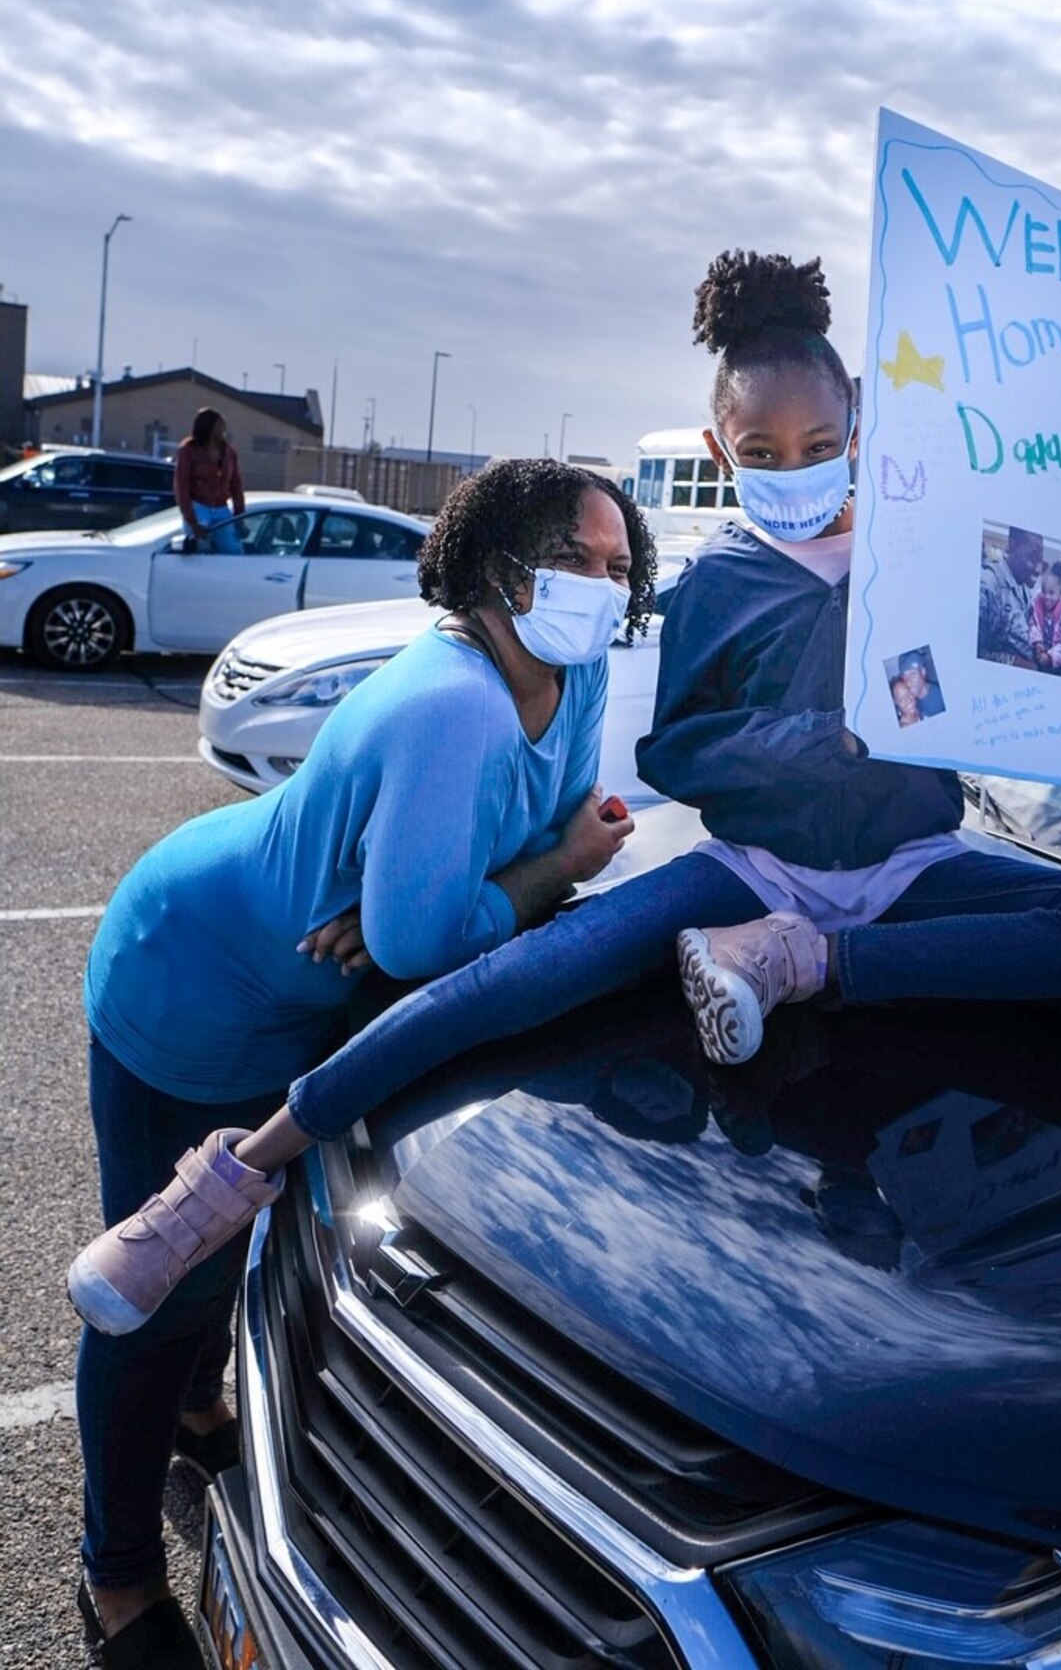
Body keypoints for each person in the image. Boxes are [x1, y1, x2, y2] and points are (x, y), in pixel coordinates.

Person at [71, 251, 1061, 1462]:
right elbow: (681, 748)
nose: (791, 471)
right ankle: (223, 1182)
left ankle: (805, 964)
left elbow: (1037, 691)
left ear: (860, 426)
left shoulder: (936, 553)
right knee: (513, 980)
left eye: (818, 442)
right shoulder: (719, 577)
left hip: (902, 873)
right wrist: (833, 731)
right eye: (759, 454)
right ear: (723, 454)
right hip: (754, 867)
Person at [65, 459, 652, 1670]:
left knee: (255, 1240)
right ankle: (116, 1568)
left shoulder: (574, 673)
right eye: (575, 560)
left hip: (299, 985)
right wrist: (519, 881)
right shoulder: (454, 702)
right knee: (164, 1269)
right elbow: (459, 914)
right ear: (495, 570)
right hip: (193, 977)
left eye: (615, 563)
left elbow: (522, 848)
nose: (604, 584)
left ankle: (195, 1405)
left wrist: (457, 887)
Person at [173, 408, 246, 553]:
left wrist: (239, 516)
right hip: (199, 507)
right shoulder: (189, 450)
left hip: (221, 508)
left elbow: (236, 486)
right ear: (209, 427)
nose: (224, 429)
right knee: (199, 550)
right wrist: (192, 521)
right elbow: (182, 486)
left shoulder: (229, 453)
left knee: (234, 550)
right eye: (220, 425)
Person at [977, 525, 1044, 665]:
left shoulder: (1024, 589)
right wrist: (1014, 663)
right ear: (1011, 546)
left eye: (1039, 561)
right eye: (1032, 558)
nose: (1037, 569)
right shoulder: (988, 586)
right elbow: (972, 651)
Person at [1029, 559, 1061, 677]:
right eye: (1044, 591)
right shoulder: (1037, 608)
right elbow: (1032, 625)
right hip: (1040, 655)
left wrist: (1050, 657)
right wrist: (1037, 642)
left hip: (1060, 662)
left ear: (1060, 593)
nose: (1047, 597)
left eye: (1051, 593)